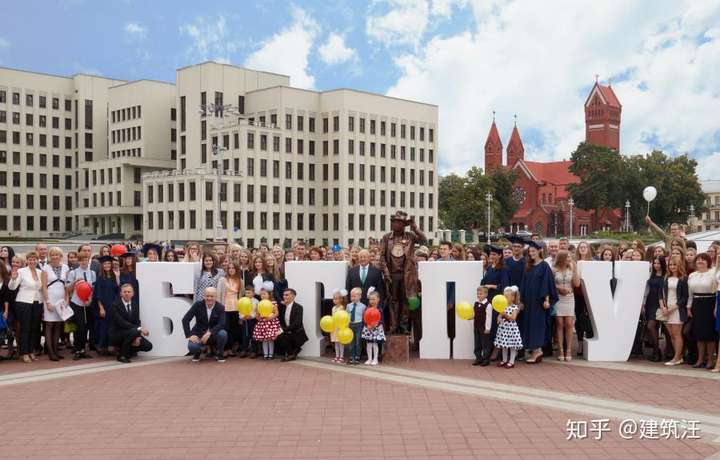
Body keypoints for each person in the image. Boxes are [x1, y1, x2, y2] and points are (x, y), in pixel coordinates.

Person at [379, 210, 426, 334]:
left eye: (398, 222)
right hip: (392, 275)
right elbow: (382, 256)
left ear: (403, 225)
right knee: (393, 301)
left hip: (407, 274)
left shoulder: (410, 236)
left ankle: (404, 326)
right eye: (394, 222)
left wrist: (415, 227)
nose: (395, 224)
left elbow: (424, 240)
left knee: (406, 300)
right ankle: (394, 326)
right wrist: (386, 272)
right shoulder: (386, 237)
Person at [519, 240, 558, 364]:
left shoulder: (544, 266)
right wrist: (521, 300)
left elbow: (547, 284)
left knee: (537, 325)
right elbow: (523, 284)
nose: (531, 253)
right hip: (528, 301)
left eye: (533, 251)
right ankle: (535, 350)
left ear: (539, 251)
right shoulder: (528, 265)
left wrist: (547, 300)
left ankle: (538, 350)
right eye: (530, 251)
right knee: (529, 325)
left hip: (538, 302)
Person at [8, 251, 43, 363]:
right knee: (25, 329)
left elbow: (41, 289)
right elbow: (12, 287)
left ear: (37, 261)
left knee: (34, 329)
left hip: (37, 303)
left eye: (34, 259)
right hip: (23, 302)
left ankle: (31, 351)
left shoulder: (40, 272)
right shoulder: (21, 271)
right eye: (30, 259)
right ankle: (24, 353)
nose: (32, 261)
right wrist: (13, 279)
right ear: (27, 261)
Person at [687, 253, 718, 369]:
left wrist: (716, 307)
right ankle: (700, 359)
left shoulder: (713, 273)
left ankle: (710, 360)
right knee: (698, 334)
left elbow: (716, 292)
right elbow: (690, 294)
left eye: (703, 260)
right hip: (696, 305)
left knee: (709, 334)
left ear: (708, 261)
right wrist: (689, 307)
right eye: (698, 259)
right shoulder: (692, 275)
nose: (700, 261)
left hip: (709, 304)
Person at [108, 284, 152, 363]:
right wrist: (138, 330)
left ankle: (125, 352)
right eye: (124, 292)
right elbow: (121, 323)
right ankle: (122, 356)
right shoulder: (115, 305)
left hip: (132, 333)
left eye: (129, 291)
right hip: (117, 334)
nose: (127, 293)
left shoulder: (135, 304)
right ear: (121, 293)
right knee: (134, 331)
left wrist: (137, 336)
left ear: (133, 293)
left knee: (148, 346)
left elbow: (137, 322)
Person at [182, 286, 228, 363]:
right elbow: (185, 320)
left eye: (212, 296)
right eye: (207, 296)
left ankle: (219, 353)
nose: (209, 298)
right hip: (199, 332)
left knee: (223, 334)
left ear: (215, 297)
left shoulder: (220, 307)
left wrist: (209, 333)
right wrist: (189, 335)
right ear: (204, 296)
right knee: (192, 347)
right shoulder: (197, 305)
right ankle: (197, 352)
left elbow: (222, 324)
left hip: (213, 334)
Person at [40, 247, 70, 361]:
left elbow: (67, 285)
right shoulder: (45, 268)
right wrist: (47, 302)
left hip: (61, 299)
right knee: (49, 325)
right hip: (50, 299)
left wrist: (67, 300)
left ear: (61, 256)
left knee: (58, 325)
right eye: (52, 255)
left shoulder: (66, 267)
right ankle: (50, 352)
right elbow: (43, 286)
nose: (55, 257)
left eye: (57, 255)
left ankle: (56, 350)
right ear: (50, 256)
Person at [67, 253, 97, 360]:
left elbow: (93, 288)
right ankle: (77, 349)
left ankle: (83, 349)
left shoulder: (92, 273)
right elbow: (68, 289)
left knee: (86, 326)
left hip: (88, 303)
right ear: (78, 261)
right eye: (82, 260)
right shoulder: (73, 273)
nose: (84, 262)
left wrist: (90, 299)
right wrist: (75, 281)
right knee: (79, 326)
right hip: (76, 302)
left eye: (86, 260)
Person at [552, 250, 580, 361]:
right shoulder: (554, 270)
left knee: (569, 323)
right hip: (558, 298)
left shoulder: (571, 269)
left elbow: (577, 284)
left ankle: (568, 350)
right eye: (567, 257)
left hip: (569, 298)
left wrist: (574, 270)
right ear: (561, 258)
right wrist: (559, 288)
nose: (569, 259)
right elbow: (550, 284)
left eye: (570, 257)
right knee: (559, 324)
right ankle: (561, 350)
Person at [660, 256, 688, 366]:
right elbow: (660, 294)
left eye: (674, 265)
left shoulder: (683, 279)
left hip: (677, 310)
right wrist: (663, 307)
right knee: (671, 335)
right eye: (670, 265)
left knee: (677, 334)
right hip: (666, 310)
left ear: (679, 265)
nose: (672, 267)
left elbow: (684, 298)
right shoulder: (666, 277)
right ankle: (678, 357)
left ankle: (676, 358)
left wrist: (673, 308)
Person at [93, 255, 120, 356]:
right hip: (104, 306)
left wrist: (117, 278)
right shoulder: (100, 278)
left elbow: (118, 290)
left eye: (109, 263)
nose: (107, 265)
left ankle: (110, 346)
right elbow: (98, 295)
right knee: (103, 327)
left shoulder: (114, 276)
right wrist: (101, 308)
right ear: (102, 265)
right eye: (105, 264)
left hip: (113, 306)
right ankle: (101, 346)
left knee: (112, 327)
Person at [642, 257, 666, 362]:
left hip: (660, 303)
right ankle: (656, 352)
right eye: (654, 263)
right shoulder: (650, 275)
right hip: (649, 303)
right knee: (652, 328)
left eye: (658, 263)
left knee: (651, 325)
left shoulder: (666, 276)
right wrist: (643, 303)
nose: (656, 265)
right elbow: (646, 289)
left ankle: (657, 351)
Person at [217, 261, 242, 357]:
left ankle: (231, 348)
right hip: (225, 307)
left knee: (234, 329)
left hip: (236, 307)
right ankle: (225, 349)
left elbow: (241, 294)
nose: (231, 270)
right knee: (225, 328)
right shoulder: (222, 280)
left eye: (233, 268)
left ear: (236, 269)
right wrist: (219, 307)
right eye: (230, 268)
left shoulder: (240, 280)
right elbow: (219, 294)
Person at [276, 288, 308, 361]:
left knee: (282, 334)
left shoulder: (299, 307)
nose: (284, 297)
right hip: (287, 332)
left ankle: (292, 353)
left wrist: (283, 330)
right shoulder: (282, 307)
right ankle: (292, 353)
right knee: (279, 337)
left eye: (287, 295)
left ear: (293, 296)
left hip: (297, 333)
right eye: (284, 295)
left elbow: (297, 323)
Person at [494, 286, 522, 368]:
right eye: (504, 296)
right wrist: (499, 319)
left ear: (513, 298)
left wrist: (504, 314)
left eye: (506, 297)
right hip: (503, 329)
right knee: (504, 346)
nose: (505, 298)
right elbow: (499, 316)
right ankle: (504, 360)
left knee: (512, 346)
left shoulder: (515, 307)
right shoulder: (503, 306)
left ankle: (511, 361)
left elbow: (513, 318)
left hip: (511, 329)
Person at [573, 242, 594, 357]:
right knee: (579, 318)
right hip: (578, 294)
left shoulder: (593, 262)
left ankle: (590, 340)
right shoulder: (574, 262)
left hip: (590, 295)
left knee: (590, 318)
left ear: (588, 249)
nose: (583, 249)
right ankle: (580, 343)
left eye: (585, 247)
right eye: (581, 247)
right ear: (578, 249)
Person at [252, 281, 280, 360]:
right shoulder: (259, 304)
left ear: (269, 294)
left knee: (270, 339)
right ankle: (265, 354)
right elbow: (257, 314)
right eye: (261, 294)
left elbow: (276, 313)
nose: (262, 296)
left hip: (271, 323)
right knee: (264, 339)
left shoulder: (273, 303)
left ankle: (271, 354)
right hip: (262, 323)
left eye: (264, 294)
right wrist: (259, 318)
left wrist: (270, 318)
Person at [361, 289, 385, 366]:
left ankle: (375, 359)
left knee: (375, 344)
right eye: (370, 299)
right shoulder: (367, 309)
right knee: (368, 344)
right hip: (368, 328)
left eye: (374, 299)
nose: (372, 301)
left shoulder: (379, 309)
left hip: (376, 329)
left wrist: (376, 324)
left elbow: (381, 320)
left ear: (378, 299)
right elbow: (364, 318)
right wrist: (367, 324)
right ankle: (369, 358)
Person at [472, 286, 492, 366]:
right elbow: (475, 314)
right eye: (477, 294)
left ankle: (486, 359)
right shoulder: (476, 303)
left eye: (480, 294)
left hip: (484, 328)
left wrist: (487, 328)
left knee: (485, 344)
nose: (478, 295)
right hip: (476, 326)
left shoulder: (488, 305)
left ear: (486, 294)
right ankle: (478, 358)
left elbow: (489, 317)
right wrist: (470, 317)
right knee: (477, 343)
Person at [345, 287, 366, 364]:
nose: (352, 298)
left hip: (359, 325)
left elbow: (364, 317)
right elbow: (346, 315)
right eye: (351, 296)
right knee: (351, 342)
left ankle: (357, 356)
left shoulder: (363, 306)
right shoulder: (348, 306)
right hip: (351, 324)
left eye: (355, 296)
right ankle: (351, 356)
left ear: (360, 296)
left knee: (358, 341)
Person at [237, 284, 258, 358]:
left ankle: (254, 351)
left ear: (253, 293)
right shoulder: (242, 300)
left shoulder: (256, 301)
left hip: (252, 321)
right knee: (245, 336)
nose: (247, 294)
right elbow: (240, 310)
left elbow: (256, 311)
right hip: (245, 321)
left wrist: (251, 316)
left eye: (249, 293)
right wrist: (242, 317)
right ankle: (244, 350)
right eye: (246, 293)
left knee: (253, 335)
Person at [330, 288, 347, 363]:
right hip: (335, 327)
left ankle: (341, 356)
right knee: (336, 342)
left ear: (341, 299)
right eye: (334, 299)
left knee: (340, 342)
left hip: (340, 327)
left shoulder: (342, 307)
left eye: (337, 299)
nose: (335, 300)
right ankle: (337, 356)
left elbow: (343, 317)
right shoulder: (333, 308)